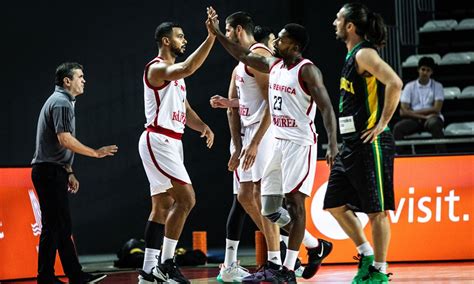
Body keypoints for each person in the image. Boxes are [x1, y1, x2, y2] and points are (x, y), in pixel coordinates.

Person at [207, 7, 338, 283]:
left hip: (300, 143)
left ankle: (286, 270)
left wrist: (333, 144)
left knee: (295, 206)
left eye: (281, 39)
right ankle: (315, 246)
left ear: (295, 45)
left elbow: (326, 108)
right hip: (279, 142)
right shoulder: (274, 64)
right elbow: (241, 54)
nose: (275, 42)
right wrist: (217, 33)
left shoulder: (308, 70)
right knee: (268, 208)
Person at [323, 3, 403, 283]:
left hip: (372, 143)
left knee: (376, 210)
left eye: (338, 18)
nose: (334, 22)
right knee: (333, 204)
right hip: (351, 144)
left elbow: (395, 82)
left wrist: (382, 124)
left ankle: (379, 271)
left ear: (350, 26)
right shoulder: (350, 56)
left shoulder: (365, 53)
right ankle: (366, 254)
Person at [137, 20, 215, 284]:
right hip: (158, 139)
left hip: (172, 140)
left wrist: (202, 126)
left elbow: (186, 109)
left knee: (162, 206)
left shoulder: (175, 78)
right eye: (180, 37)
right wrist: (211, 38)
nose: (185, 40)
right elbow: (189, 67)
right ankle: (167, 263)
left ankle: (148, 271)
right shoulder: (157, 68)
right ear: (166, 41)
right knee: (187, 199)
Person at [31, 62, 118, 284]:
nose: (84, 80)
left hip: (53, 170)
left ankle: (74, 275)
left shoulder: (62, 101)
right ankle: (47, 277)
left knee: (61, 225)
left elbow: (57, 144)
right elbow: (64, 139)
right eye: (80, 76)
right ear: (67, 81)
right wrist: (96, 153)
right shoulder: (61, 102)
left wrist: (69, 171)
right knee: (54, 226)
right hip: (48, 171)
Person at [393, 56, 445, 152]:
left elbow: (437, 109)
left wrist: (411, 112)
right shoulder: (409, 86)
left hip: (431, 119)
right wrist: (424, 117)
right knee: (398, 128)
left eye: (428, 70)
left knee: (435, 124)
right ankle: (398, 157)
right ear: (418, 70)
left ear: (431, 72)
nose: (425, 72)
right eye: (423, 69)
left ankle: (442, 155)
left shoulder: (438, 86)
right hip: (415, 119)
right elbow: (403, 111)